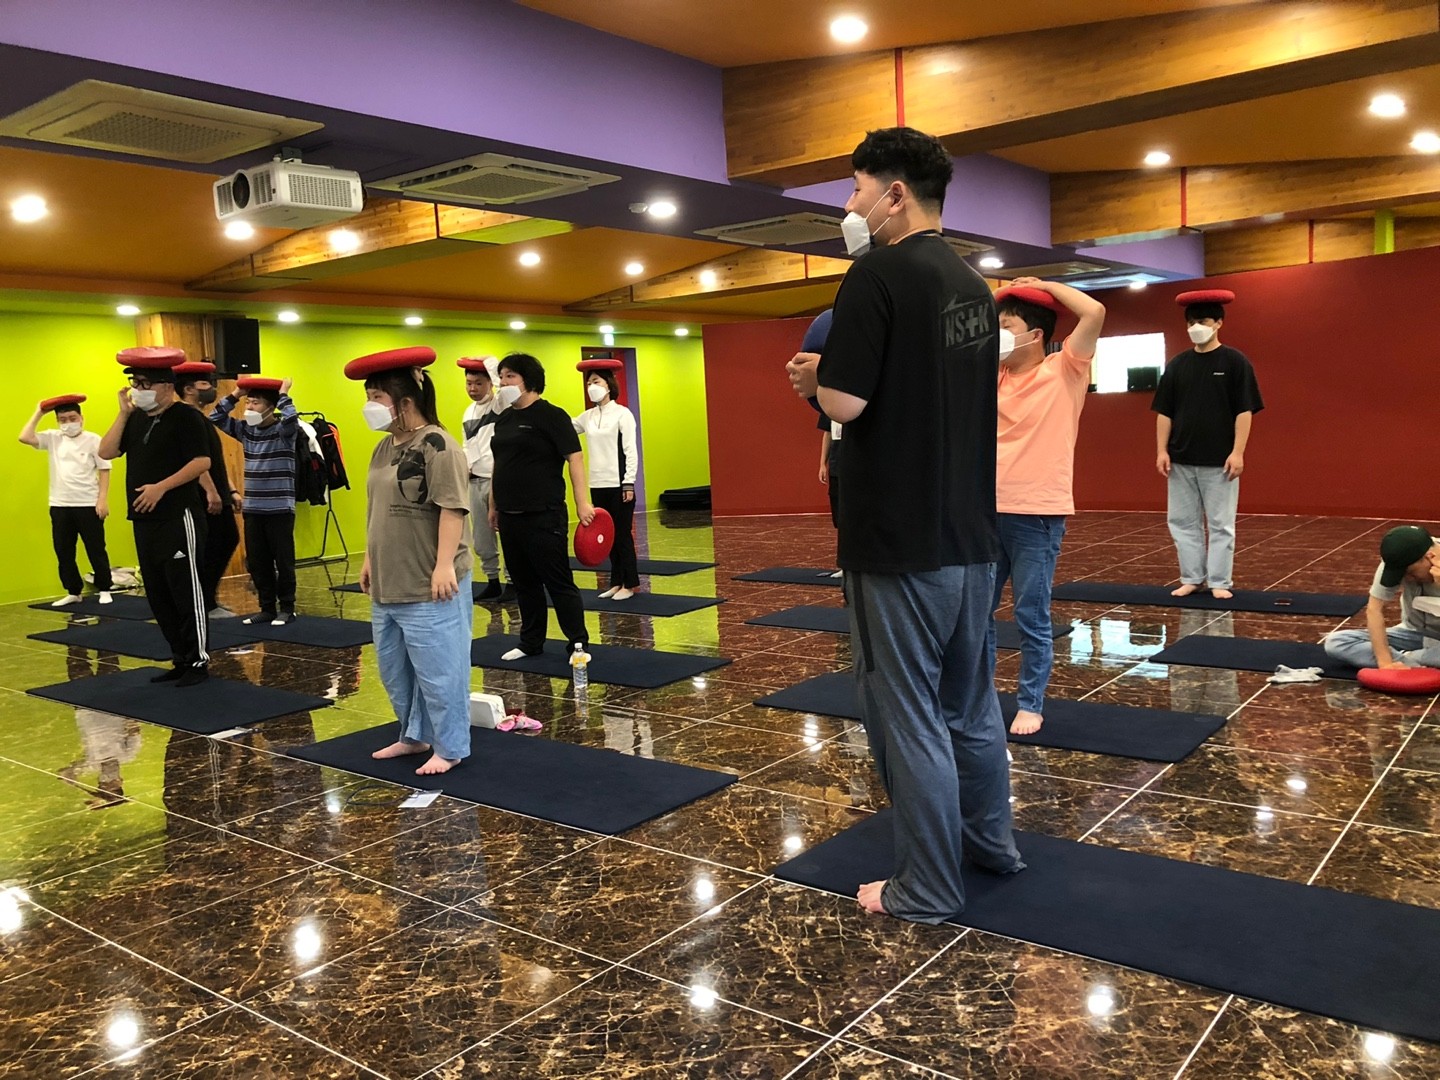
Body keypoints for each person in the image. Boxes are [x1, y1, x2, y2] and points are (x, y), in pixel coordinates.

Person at [786, 126, 1023, 924]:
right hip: (971, 536)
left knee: (909, 714)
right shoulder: (973, 286)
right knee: (971, 707)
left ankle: (925, 886)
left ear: (894, 194)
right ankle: (991, 844)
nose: (850, 205)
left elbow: (846, 403)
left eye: (856, 188)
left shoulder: (876, 274)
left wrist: (814, 381)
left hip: (897, 539)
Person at [346, 346, 473, 776]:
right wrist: (369, 558)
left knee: (441, 672)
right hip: (388, 581)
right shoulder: (383, 448)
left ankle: (450, 747)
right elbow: (376, 509)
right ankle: (414, 735)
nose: (370, 405)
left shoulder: (439, 445)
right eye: (368, 396)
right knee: (395, 670)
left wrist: (443, 565)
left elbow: (452, 508)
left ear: (404, 401)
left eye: (376, 397)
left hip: (428, 582)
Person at [991, 278, 1105, 735]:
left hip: (1036, 513)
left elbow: (1094, 312)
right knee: (975, 616)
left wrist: (1043, 285)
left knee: (1030, 614)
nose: (998, 333)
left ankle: (1030, 703)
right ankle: (977, 697)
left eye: (1007, 325)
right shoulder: (994, 376)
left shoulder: (1064, 370)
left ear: (1035, 334)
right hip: (986, 511)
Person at [98, 347, 212, 687]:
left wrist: (161, 488)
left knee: (185, 589)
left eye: (144, 384)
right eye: (135, 383)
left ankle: (198, 660)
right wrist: (123, 414)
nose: (138, 389)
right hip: (144, 519)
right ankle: (180, 657)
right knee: (158, 593)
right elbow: (106, 451)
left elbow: (201, 462)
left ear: (165, 386)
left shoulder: (186, 416)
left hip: (178, 515)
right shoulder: (135, 418)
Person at [1152, 289, 1264, 600]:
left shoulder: (1235, 362)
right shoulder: (1178, 365)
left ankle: (1219, 581)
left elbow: (1244, 410)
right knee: (1181, 522)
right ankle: (1191, 578)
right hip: (1181, 460)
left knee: (1221, 524)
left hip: (1220, 461)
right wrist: (1162, 450)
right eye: (1191, 323)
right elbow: (1164, 412)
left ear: (1218, 323)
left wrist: (1238, 452)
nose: (1195, 328)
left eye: (1202, 321)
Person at [487, 352, 595, 659]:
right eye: (501, 376)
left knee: (558, 582)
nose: (503, 382)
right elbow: (498, 464)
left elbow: (575, 458)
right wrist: (493, 505)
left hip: (544, 515)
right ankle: (530, 642)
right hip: (509, 515)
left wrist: (582, 502)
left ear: (529, 381)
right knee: (524, 583)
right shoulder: (504, 419)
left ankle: (578, 644)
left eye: (510, 376)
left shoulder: (552, 416)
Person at [210, 375, 300, 625]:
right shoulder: (246, 430)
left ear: (271, 408)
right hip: (254, 508)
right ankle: (267, 608)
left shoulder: (284, 432)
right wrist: (236, 395)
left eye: (256, 403)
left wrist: (283, 394)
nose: (249, 408)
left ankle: (287, 608)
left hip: (279, 509)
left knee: (283, 561)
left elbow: (291, 419)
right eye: (248, 403)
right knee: (258, 562)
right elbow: (215, 417)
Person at [19, 394, 114, 607]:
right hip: (60, 504)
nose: (68, 423)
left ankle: (105, 588)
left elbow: (104, 469)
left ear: (81, 418)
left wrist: (102, 500)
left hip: (88, 503)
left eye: (72, 418)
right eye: (63, 420)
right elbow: (24, 437)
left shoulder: (93, 440)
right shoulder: (53, 438)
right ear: (57, 421)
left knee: (96, 549)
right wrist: (39, 412)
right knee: (63, 550)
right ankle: (73, 591)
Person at [173, 361, 241, 618]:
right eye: (204, 383)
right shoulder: (186, 419)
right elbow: (195, 461)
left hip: (219, 493)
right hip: (205, 496)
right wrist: (212, 492)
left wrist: (230, 490)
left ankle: (207, 599)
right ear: (189, 389)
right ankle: (204, 602)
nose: (211, 388)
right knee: (216, 544)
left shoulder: (201, 418)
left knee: (225, 540)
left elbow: (216, 461)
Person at [1324, 525, 1440, 669]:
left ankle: (1414, 658)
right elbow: (1374, 609)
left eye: (1411, 573)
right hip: (1414, 634)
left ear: (1430, 557)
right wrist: (1385, 662)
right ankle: (1413, 659)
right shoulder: (1396, 559)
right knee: (1337, 642)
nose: (1407, 579)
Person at [571, 359, 639, 599]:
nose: (592, 386)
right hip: (597, 484)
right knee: (608, 536)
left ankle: (630, 584)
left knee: (622, 535)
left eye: (596, 382)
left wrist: (629, 481)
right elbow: (565, 428)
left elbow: (630, 450)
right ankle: (616, 581)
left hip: (619, 484)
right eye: (589, 382)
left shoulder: (622, 414)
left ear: (608, 385)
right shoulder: (588, 416)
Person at [458, 355, 511, 601]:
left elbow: (505, 388)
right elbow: (467, 445)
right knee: (481, 538)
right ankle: (492, 581)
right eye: (469, 383)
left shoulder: (499, 405)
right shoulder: (468, 412)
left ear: (489, 382)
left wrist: (489, 362)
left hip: (497, 480)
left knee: (507, 533)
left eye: (478, 383)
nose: (473, 389)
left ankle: (513, 582)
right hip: (475, 481)